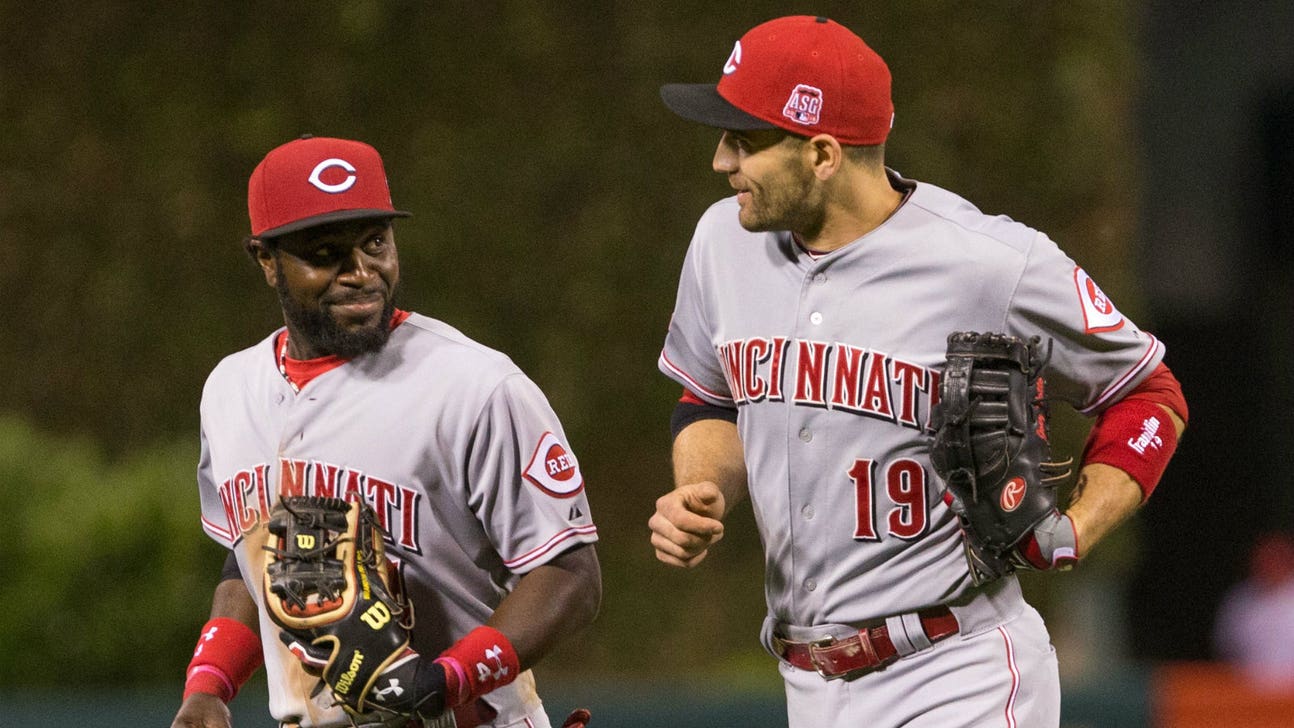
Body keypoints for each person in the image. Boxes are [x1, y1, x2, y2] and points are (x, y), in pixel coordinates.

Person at [647, 15, 1188, 728]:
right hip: (808, 683)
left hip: (955, 671)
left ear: (821, 154)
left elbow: (1149, 393)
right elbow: (710, 395)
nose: (722, 161)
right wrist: (701, 489)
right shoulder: (722, 242)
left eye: (744, 140)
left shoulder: (989, 263)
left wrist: (1077, 528)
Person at [170, 135, 601, 728]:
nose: (361, 273)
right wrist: (209, 686)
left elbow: (570, 574)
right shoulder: (229, 390)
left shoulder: (475, 386)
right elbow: (251, 560)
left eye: (375, 243)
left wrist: (446, 679)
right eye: (325, 253)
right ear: (266, 260)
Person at [1214, 531, 1294, 689]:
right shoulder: (1239, 601)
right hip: (1248, 697)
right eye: (1265, 557)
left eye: (1276, 556)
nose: (1270, 563)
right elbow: (1225, 649)